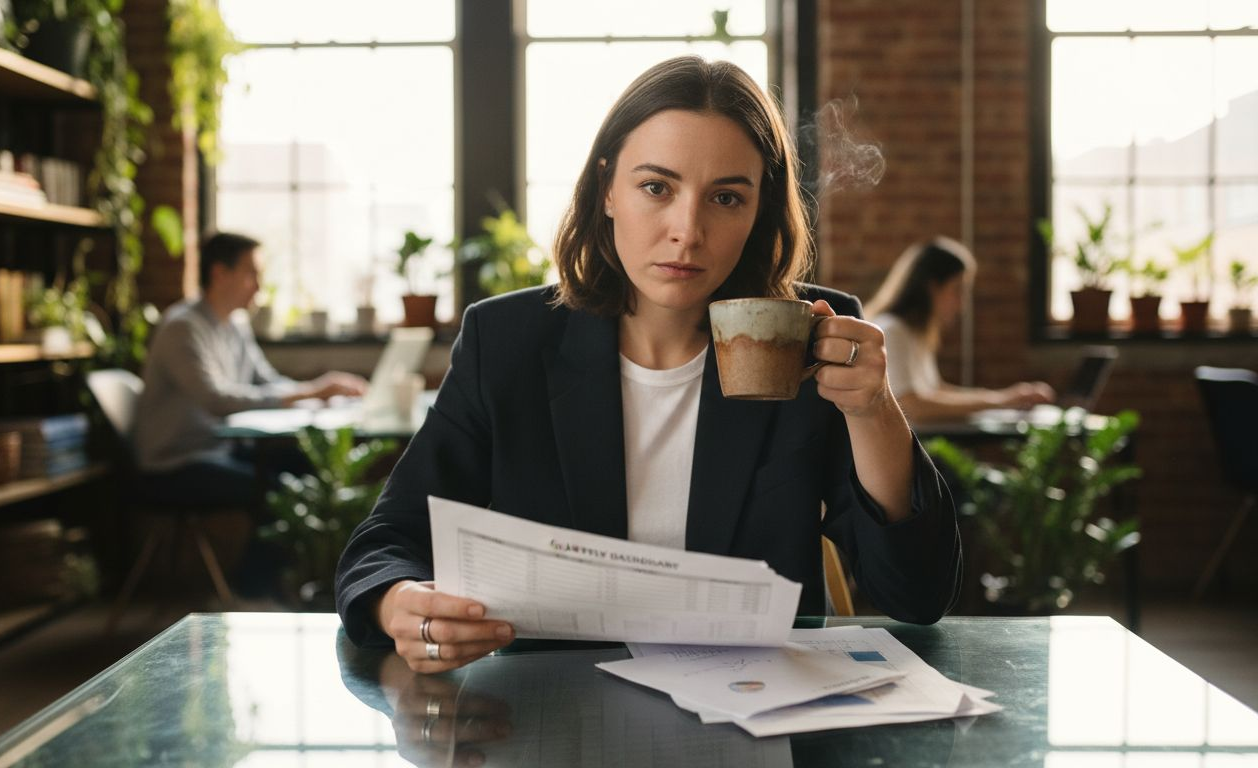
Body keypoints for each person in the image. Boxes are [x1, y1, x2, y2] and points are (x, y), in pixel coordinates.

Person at [337, 56, 961, 673]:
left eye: (725, 197)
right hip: (553, 711)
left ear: (758, 211)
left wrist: (872, 407)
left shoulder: (805, 342)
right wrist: (404, 604)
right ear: (607, 188)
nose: (687, 231)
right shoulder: (509, 342)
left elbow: (916, 593)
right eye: (656, 187)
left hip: (760, 716)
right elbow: (388, 541)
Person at [132, 231, 368, 506]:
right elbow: (216, 400)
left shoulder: (235, 324)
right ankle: (258, 552)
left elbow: (266, 380)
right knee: (280, 493)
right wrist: (311, 392)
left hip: (223, 448)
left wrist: (321, 394)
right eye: (252, 274)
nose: (260, 286)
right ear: (220, 273)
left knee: (314, 467)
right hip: (178, 463)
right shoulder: (182, 328)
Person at [864, 237, 1055, 423]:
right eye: (958, 289)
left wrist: (1005, 397)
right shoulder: (891, 331)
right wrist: (1000, 401)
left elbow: (934, 391)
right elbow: (911, 406)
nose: (962, 304)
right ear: (931, 288)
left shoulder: (912, 333)